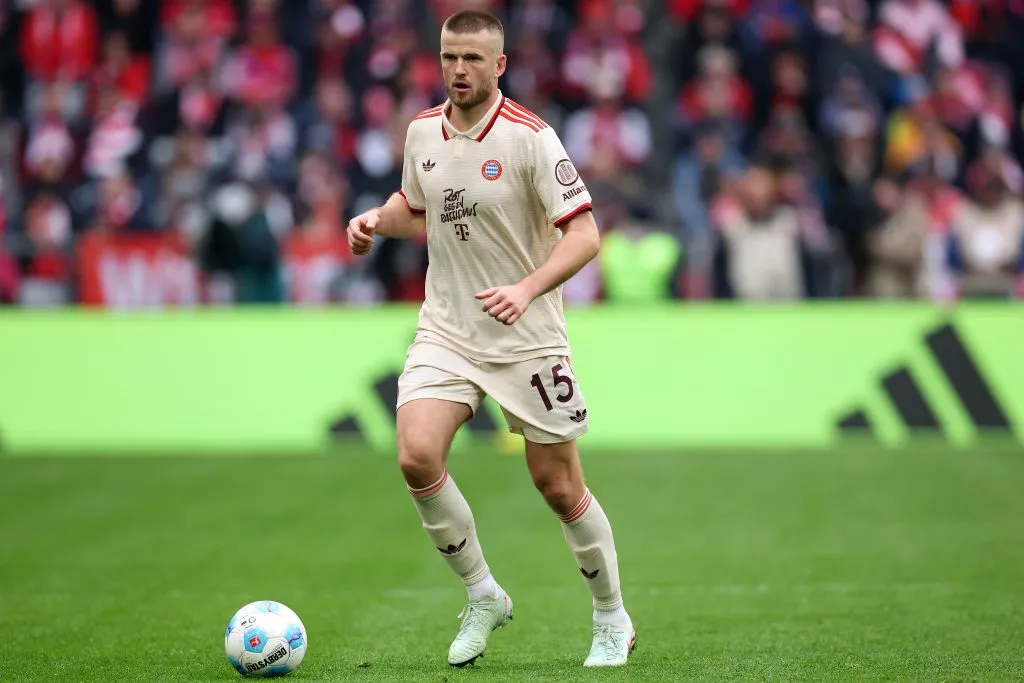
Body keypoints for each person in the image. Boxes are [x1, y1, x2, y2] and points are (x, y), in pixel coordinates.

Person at [345, 9, 635, 670]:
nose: (459, 70)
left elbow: (585, 233)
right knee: (417, 455)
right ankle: (483, 592)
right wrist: (373, 221)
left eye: (473, 59)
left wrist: (527, 289)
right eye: (450, 57)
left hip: (526, 334)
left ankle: (611, 616)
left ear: (499, 65)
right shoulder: (422, 131)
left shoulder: (531, 138)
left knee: (557, 484)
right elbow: (413, 207)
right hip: (447, 327)